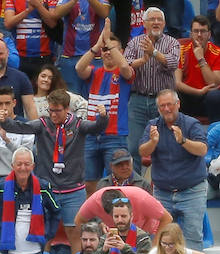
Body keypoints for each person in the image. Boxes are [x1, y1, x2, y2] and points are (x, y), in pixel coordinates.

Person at [0, 89, 108, 253]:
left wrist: (103, 117)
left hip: (73, 189)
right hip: (46, 189)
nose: (53, 114)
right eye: (50, 110)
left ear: (67, 109)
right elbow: (21, 127)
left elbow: (96, 128)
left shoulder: (78, 125)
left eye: (57, 111)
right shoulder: (42, 124)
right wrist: (4, 121)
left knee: (74, 232)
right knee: (44, 232)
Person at [138, 89, 208, 254]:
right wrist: (153, 142)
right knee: (161, 235)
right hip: (163, 191)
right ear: (158, 107)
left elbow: (202, 150)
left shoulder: (190, 123)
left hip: (192, 189)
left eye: (170, 104)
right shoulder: (153, 125)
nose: (166, 109)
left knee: (192, 233)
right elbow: (142, 150)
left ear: (178, 104)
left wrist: (183, 140)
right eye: (162, 105)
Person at [76, 26, 136, 195]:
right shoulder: (94, 72)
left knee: (116, 183)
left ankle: (114, 219)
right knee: (89, 183)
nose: (108, 52)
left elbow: (124, 66)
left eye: (112, 49)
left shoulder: (125, 72)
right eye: (105, 50)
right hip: (91, 136)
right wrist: (96, 47)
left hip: (115, 136)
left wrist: (108, 41)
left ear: (121, 51)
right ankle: (94, 219)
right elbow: (79, 68)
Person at [125, 8, 181, 171]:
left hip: (164, 103)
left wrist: (154, 53)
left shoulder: (172, 42)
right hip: (138, 100)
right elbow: (125, 65)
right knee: (134, 147)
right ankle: (134, 187)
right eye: (152, 19)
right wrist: (143, 59)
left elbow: (172, 63)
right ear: (144, 23)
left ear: (164, 23)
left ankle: (165, 184)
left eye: (159, 20)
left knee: (166, 145)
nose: (156, 22)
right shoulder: (134, 42)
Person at [0, 86, 37, 185]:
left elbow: (26, 157)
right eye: (0, 104)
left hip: (19, 176)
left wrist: (6, 140)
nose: (4, 107)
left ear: (14, 103)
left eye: (7, 103)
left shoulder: (25, 125)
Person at [53, 0, 111, 96]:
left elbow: (104, 12)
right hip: (70, 56)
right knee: (71, 97)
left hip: (95, 57)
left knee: (94, 94)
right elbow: (57, 14)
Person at [176, 16, 220, 123]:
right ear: (190, 34)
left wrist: (201, 59)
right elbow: (177, 83)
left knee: (214, 96)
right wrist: (198, 92)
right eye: (196, 31)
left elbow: (214, 83)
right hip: (188, 95)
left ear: (209, 34)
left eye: (203, 31)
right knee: (173, 94)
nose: (199, 35)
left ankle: (214, 131)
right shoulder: (181, 49)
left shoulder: (217, 52)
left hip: (208, 98)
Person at [75, 185, 170, 235]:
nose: (119, 219)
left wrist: (155, 247)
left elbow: (167, 218)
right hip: (115, 236)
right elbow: (79, 221)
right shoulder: (94, 201)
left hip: (146, 233)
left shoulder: (141, 198)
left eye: (123, 215)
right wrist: (92, 240)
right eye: (115, 216)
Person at [3, 0, 61, 79]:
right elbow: (8, 24)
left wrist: (38, 6)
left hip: (44, 56)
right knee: (21, 90)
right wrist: (28, 11)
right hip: (20, 56)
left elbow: (52, 23)